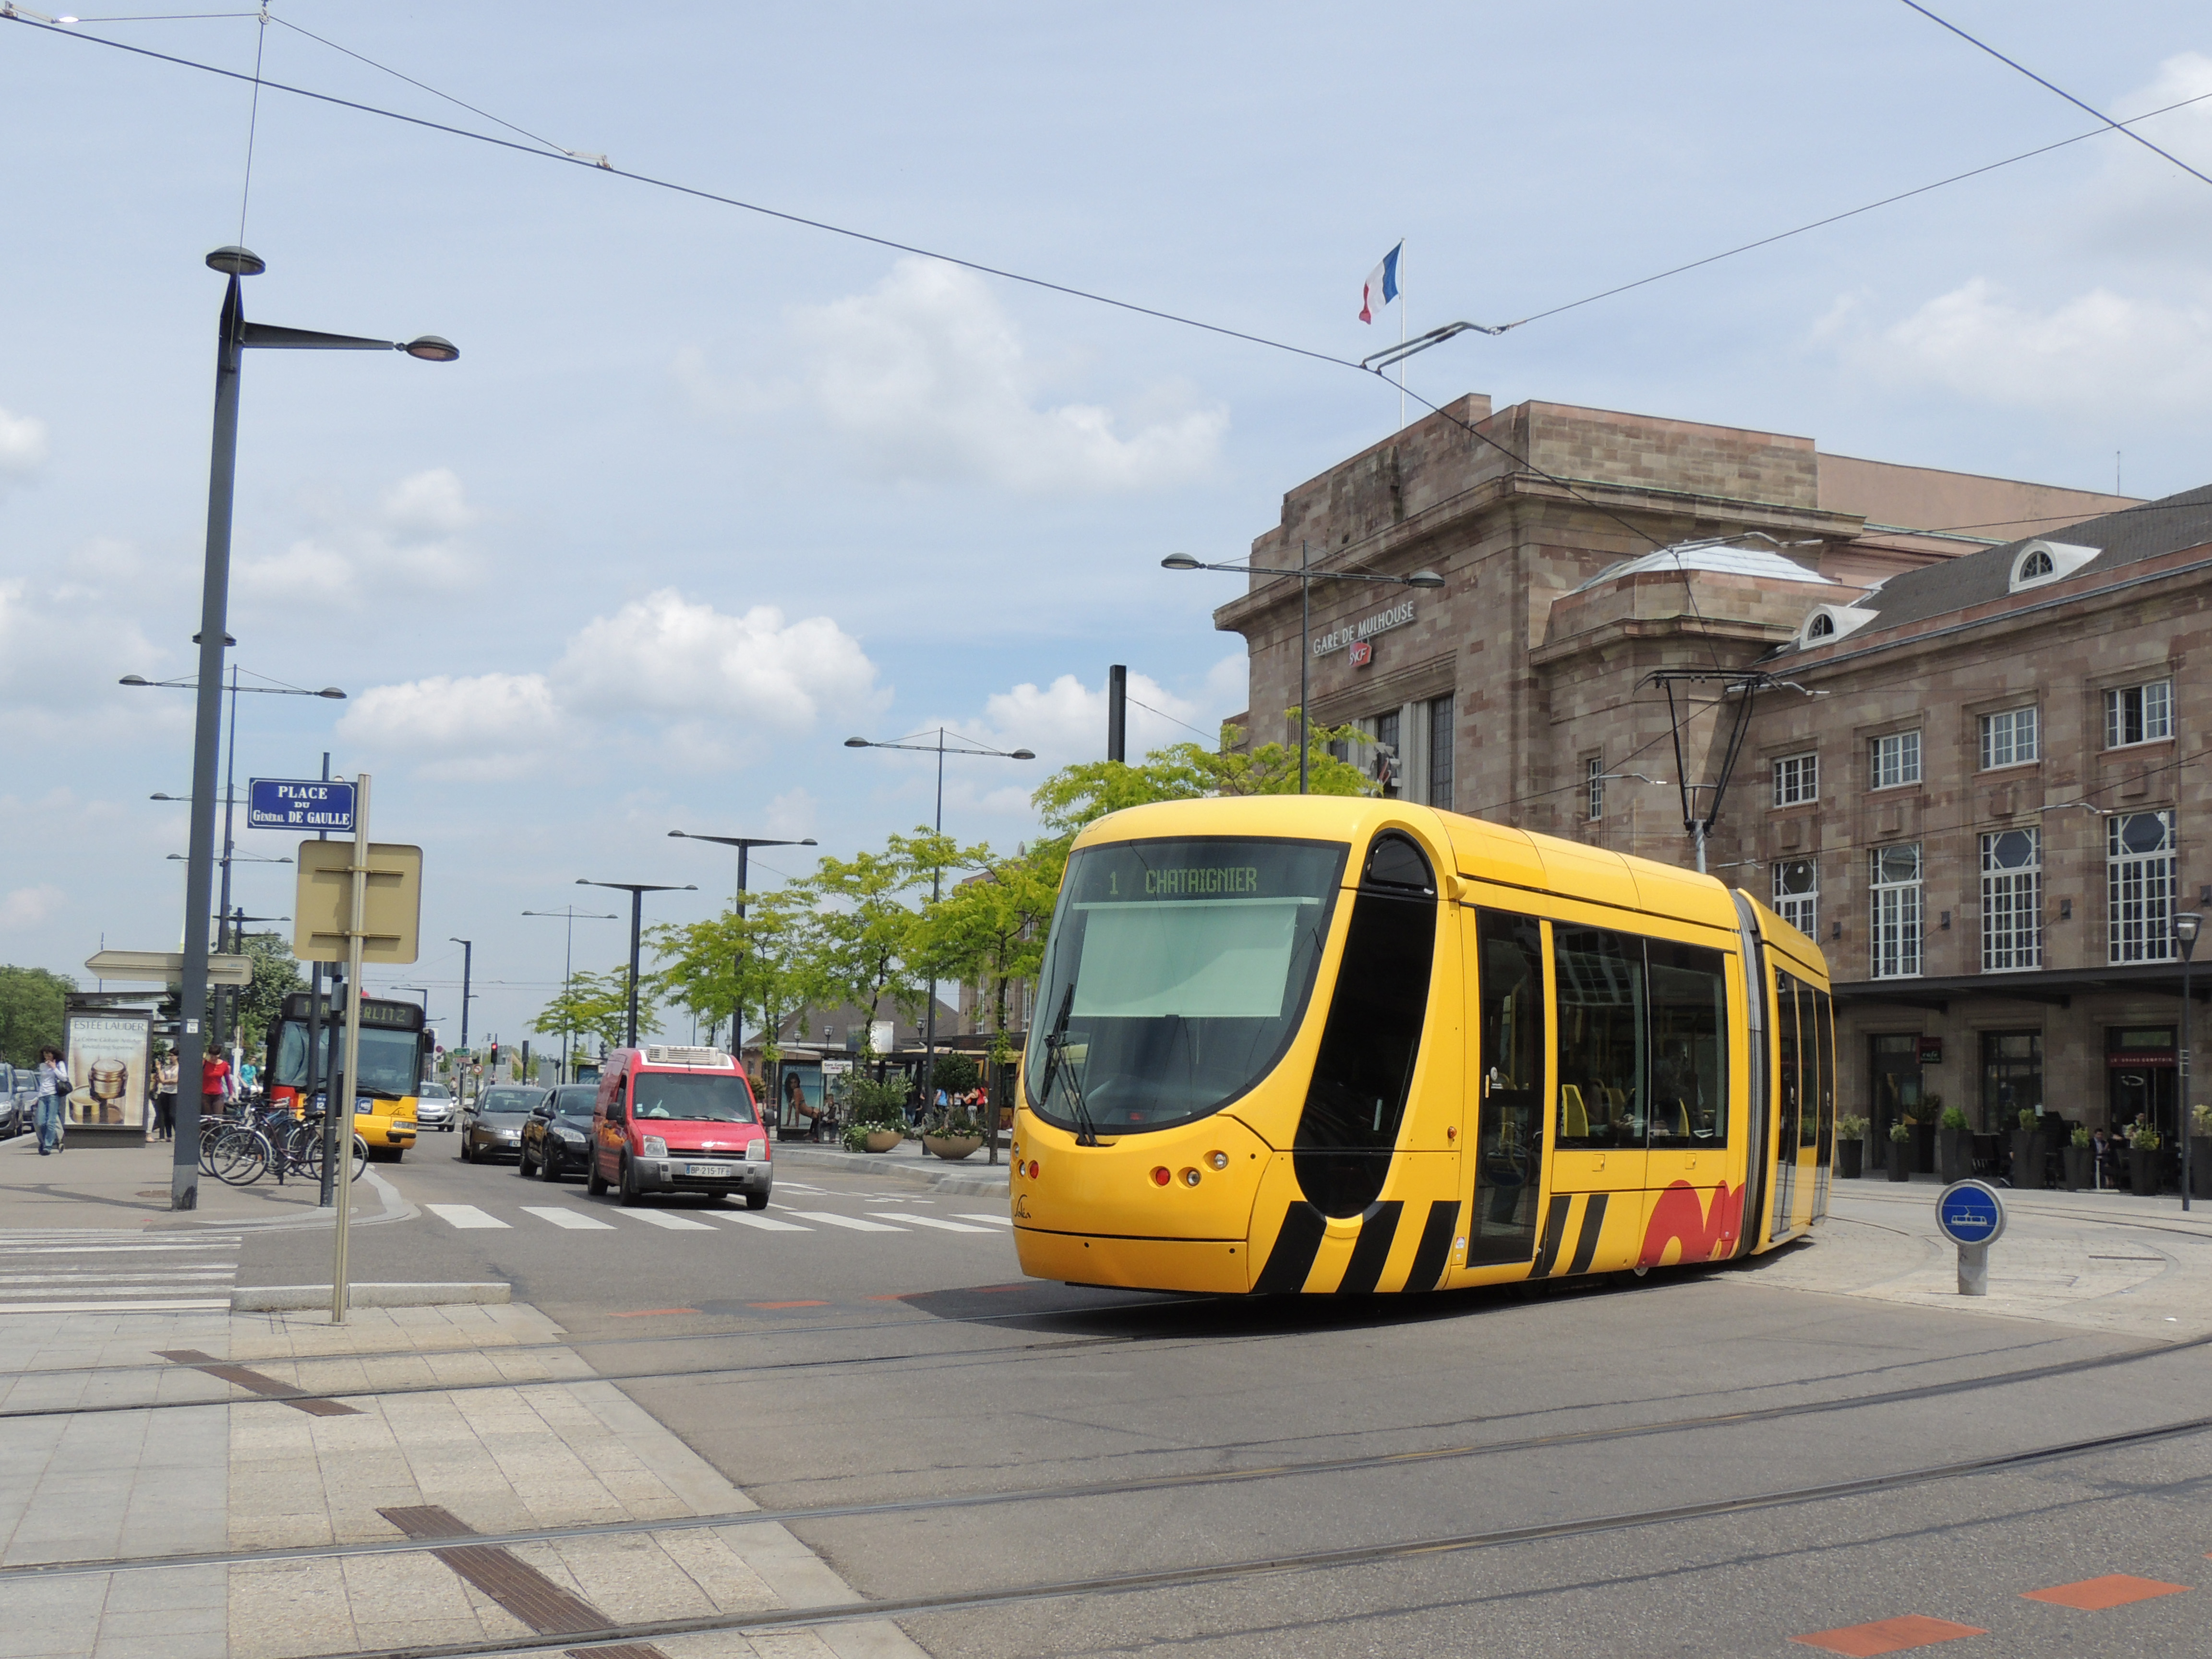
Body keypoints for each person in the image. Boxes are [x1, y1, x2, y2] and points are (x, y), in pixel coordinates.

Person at [34, 1044, 68, 1155]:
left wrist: (54, 1068)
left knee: (51, 1122)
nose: (47, 1057)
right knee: (40, 1122)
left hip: (53, 1095)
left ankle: (47, 1147)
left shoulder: (59, 1064)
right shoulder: (42, 1065)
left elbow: (64, 1078)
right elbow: (42, 1082)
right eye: (45, 1055)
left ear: (54, 1055)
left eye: (49, 1055)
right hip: (42, 1095)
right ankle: (47, 1141)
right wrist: (38, 1097)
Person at [154, 1050, 179, 1142]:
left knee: (173, 1114)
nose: (170, 1057)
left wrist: (165, 1081)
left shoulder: (179, 1068)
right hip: (165, 1092)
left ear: (177, 1056)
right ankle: (169, 1135)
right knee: (166, 1114)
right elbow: (162, 1079)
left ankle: (178, 1134)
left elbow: (176, 1080)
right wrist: (159, 1069)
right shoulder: (167, 1067)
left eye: (172, 1055)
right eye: (169, 1056)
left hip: (175, 1092)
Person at [202, 1049, 233, 1117]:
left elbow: (228, 1080)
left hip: (218, 1095)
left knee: (218, 1117)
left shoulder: (224, 1065)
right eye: (212, 1056)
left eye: (216, 1056)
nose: (213, 1058)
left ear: (219, 1055)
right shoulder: (205, 1063)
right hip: (205, 1094)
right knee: (207, 1117)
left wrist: (231, 1095)